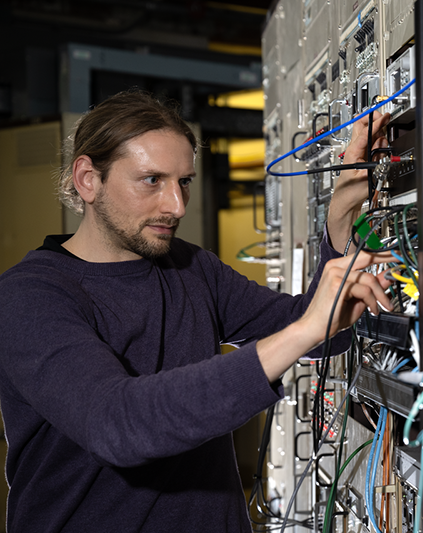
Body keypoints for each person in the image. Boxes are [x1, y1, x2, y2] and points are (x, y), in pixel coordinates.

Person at [0, 89, 393, 532]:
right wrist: (304, 330)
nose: (176, 205)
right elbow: (117, 425)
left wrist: (341, 215)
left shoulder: (190, 268)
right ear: (88, 179)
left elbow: (328, 332)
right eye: (152, 180)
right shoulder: (29, 296)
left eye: (183, 181)